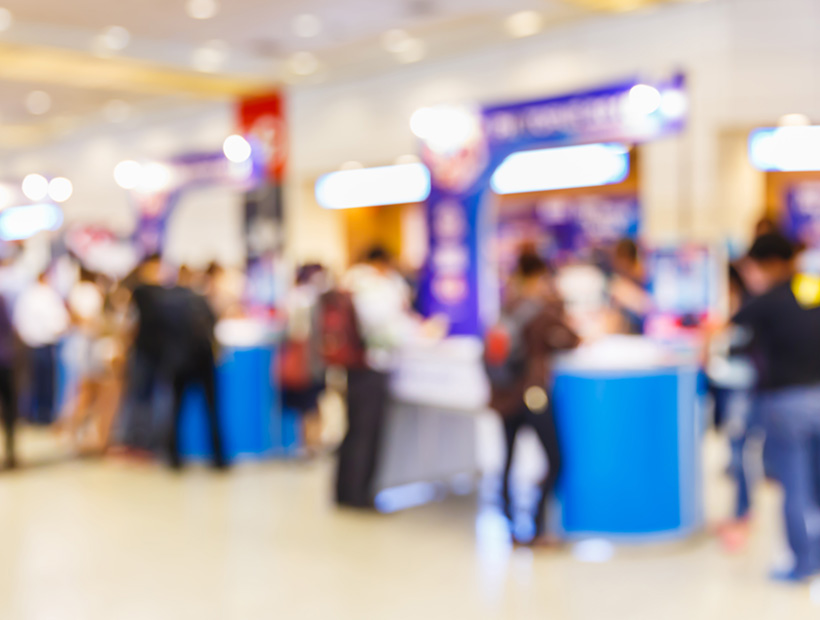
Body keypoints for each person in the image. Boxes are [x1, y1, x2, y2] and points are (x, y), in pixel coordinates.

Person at [730, 232, 820, 581]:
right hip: (817, 396)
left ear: (769, 265)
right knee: (816, 484)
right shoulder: (811, 290)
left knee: (794, 486)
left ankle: (802, 564)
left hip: (784, 402)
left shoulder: (764, 302)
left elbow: (729, 333)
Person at [486, 251, 580, 546]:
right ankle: (538, 527)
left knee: (508, 460)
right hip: (533, 393)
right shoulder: (543, 310)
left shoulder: (506, 306)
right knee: (555, 459)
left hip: (504, 394)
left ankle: (510, 526)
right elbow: (572, 339)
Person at [335, 246, 415, 508]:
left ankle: (345, 491)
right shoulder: (374, 287)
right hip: (372, 365)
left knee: (354, 430)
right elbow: (384, 326)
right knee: (367, 433)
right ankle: (360, 495)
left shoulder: (351, 282)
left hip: (354, 365)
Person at [160, 281, 227, 470]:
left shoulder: (169, 304)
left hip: (178, 362)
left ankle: (173, 457)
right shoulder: (201, 301)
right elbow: (213, 326)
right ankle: (219, 458)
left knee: (175, 411)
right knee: (212, 410)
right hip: (203, 361)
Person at [14, 271, 70, 425]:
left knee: (42, 381)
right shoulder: (39, 295)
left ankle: (41, 415)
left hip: (42, 343)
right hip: (38, 343)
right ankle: (38, 414)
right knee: (39, 382)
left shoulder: (40, 294)